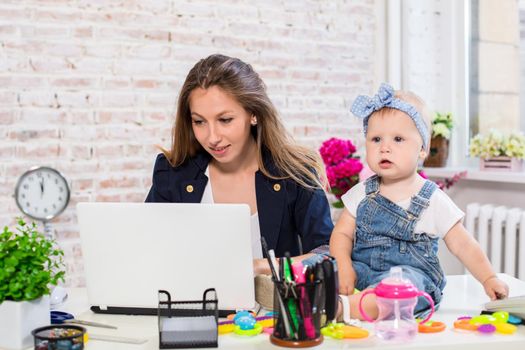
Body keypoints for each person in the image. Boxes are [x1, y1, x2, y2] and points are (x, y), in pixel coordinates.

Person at [330, 83, 509, 321]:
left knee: (401, 291)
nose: (385, 147)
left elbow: (463, 245)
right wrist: (343, 266)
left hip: (410, 278)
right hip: (360, 272)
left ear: (423, 149)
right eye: (375, 139)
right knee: (318, 263)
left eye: (398, 139)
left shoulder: (433, 199)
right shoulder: (362, 192)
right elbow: (341, 235)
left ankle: (343, 308)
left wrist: (489, 277)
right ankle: (303, 297)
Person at [145, 54, 333, 275]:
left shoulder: (294, 175)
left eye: (225, 120)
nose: (212, 137)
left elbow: (327, 255)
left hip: (270, 308)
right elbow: (147, 247)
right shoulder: (172, 173)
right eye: (199, 122)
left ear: (253, 114)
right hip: (191, 304)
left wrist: (259, 267)